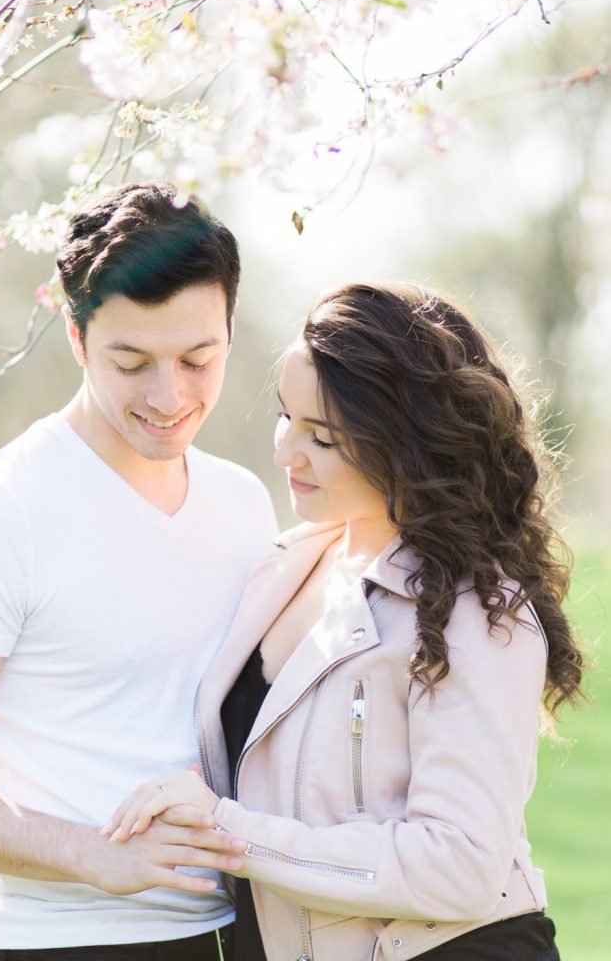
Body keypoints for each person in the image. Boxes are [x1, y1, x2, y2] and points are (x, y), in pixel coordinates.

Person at [105, 283, 583, 961]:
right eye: (284, 416)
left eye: (322, 437)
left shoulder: (472, 608)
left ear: (406, 445)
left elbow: (460, 865)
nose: (284, 452)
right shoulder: (281, 567)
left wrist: (228, 831)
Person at [0, 182, 278, 959]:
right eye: (131, 361)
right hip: (70, 944)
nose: (168, 396)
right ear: (78, 339)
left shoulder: (245, 502)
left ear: (228, 331)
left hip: (251, 933)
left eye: (197, 359)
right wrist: (91, 854)